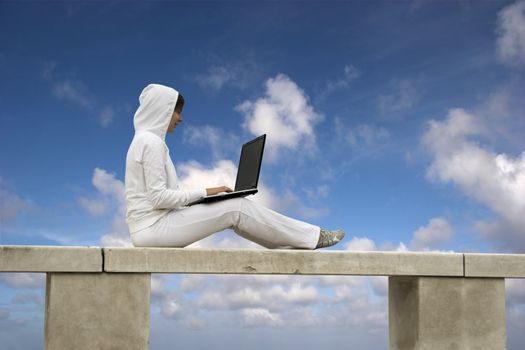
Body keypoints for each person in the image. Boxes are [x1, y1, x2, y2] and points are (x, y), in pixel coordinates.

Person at [124, 83, 345, 249]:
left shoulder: (146, 140)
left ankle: (286, 243)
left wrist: (205, 198)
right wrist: (206, 192)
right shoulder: (150, 142)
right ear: (161, 110)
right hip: (152, 228)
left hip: (152, 225)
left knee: (235, 209)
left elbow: (160, 197)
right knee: (236, 208)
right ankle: (311, 237)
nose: (180, 119)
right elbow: (159, 198)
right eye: (177, 111)